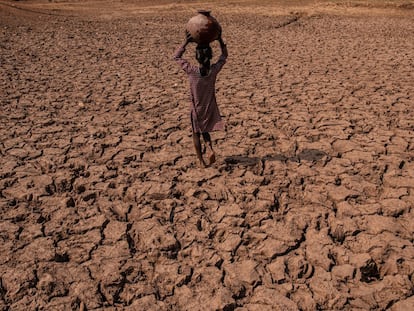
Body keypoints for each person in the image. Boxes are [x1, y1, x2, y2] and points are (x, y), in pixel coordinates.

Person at [173, 32, 228, 168]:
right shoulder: (213, 70)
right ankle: (209, 148)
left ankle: (200, 160)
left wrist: (185, 42)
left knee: (196, 133)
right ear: (210, 56)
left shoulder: (192, 71)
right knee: (205, 130)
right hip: (209, 107)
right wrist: (220, 40)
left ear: (196, 58)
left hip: (197, 108)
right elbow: (224, 56)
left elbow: (176, 57)